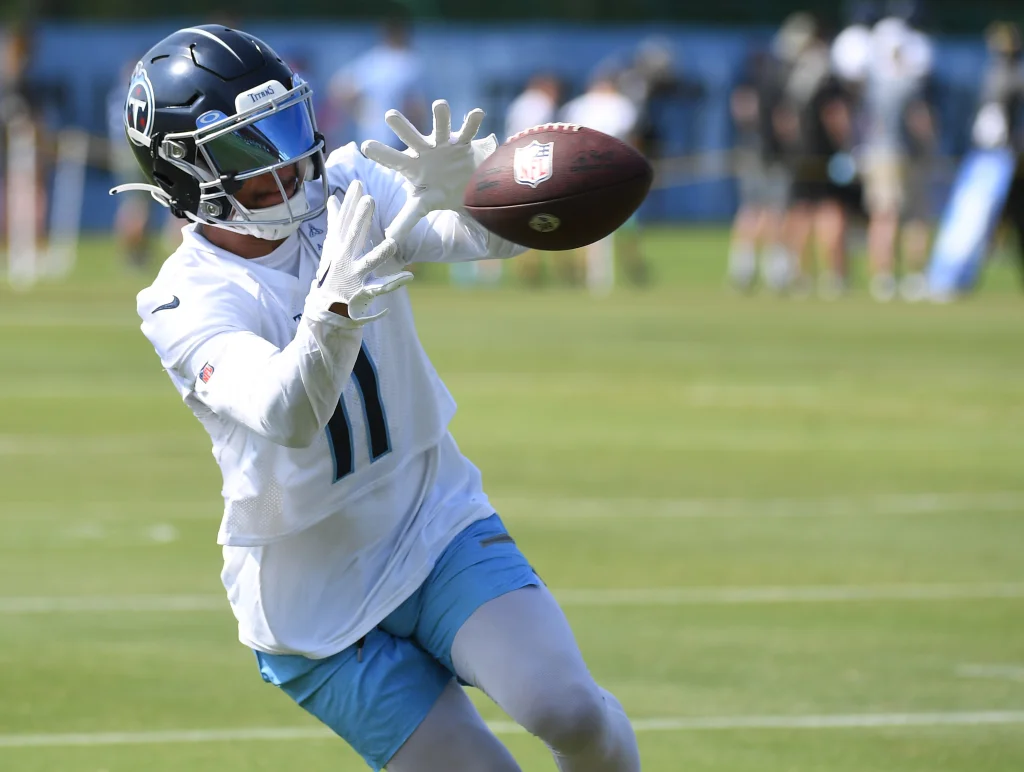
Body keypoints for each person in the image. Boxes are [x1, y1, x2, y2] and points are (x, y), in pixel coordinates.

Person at [112, 25, 641, 772]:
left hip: (430, 518)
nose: (287, 164)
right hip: (315, 606)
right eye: (247, 148)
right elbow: (287, 413)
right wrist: (333, 308)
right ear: (184, 176)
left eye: (287, 128)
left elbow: (490, 243)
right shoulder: (180, 301)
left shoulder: (350, 184)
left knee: (570, 709)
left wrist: (488, 195)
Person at [560, 71, 648, 292]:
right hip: (612, 167)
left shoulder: (578, 106)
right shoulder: (619, 104)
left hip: (581, 167)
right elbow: (629, 136)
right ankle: (605, 273)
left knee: (590, 223)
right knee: (614, 223)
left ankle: (593, 272)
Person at [328, 10, 427, 149]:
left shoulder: (373, 61)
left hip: (370, 139)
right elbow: (416, 108)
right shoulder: (410, 63)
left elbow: (339, 88)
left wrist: (360, 114)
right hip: (401, 140)